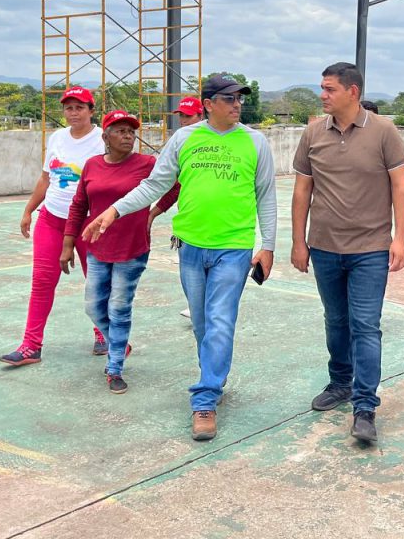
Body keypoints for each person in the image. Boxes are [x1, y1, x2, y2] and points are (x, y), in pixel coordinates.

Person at [81, 73, 276, 440]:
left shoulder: (255, 142)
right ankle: (214, 377)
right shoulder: (185, 138)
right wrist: (114, 211)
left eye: (240, 99)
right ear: (209, 103)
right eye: (229, 99)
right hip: (190, 248)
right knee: (203, 324)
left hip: (233, 248)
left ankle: (204, 399)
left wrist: (268, 245)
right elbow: (155, 184)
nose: (237, 105)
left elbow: (266, 195)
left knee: (220, 322)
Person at [291, 61, 404, 444]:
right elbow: (302, 192)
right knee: (336, 321)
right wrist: (298, 241)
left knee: (365, 326)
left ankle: (365, 407)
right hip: (324, 247)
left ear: (352, 92)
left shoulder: (384, 131)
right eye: (322, 89)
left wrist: (401, 237)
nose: (322, 95)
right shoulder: (312, 134)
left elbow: (401, 187)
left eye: (329, 89)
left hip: (370, 249)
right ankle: (340, 382)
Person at [61, 110, 178, 393]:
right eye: (121, 131)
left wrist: (153, 213)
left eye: (131, 132)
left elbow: (175, 186)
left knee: (119, 307)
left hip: (132, 247)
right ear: (105, 137)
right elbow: (79, 206)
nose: (128, 136)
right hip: (98, 247)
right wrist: (68, 243)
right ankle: (119, 344)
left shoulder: (147, 164)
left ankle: (114, 368)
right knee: (93, 306)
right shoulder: (92, 166)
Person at [0, 86, 105, 366]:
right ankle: (31, 346)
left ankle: (104, 335)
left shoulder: (101, 140)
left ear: (91, 111)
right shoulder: (58, 138)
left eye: (79, 107)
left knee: (96, 282)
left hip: (87, 223)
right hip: (52, 219)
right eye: (69, 108)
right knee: (42, 282)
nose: (73, 113)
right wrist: (28, 210)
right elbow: (46, 179)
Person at [151, 95, 204, 320]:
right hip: (189, 221)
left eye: (188, 116)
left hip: (218, 222)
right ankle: (197, 307)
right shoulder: (180, 142)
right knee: (191, 272)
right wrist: (152, 212)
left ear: (201, 115)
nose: (183, 120)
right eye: (181, 115)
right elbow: (174, 187)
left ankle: (202, 308)